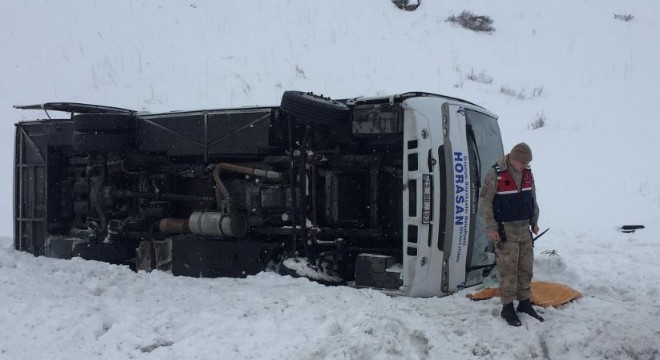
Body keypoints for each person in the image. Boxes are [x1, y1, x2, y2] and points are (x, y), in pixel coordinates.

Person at [479, 142, 543, 326]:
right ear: (514, 159)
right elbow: (485, 202)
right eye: (523, 163)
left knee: (525, 267)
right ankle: (507, 308)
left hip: (524, 229)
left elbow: (532, 198)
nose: (525, 166)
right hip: (505, 230)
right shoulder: (496, 173)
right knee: (508, 270)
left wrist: (534, 221)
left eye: (527, 163)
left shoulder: (527, 173)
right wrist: (491, 227)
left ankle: (524, 302)